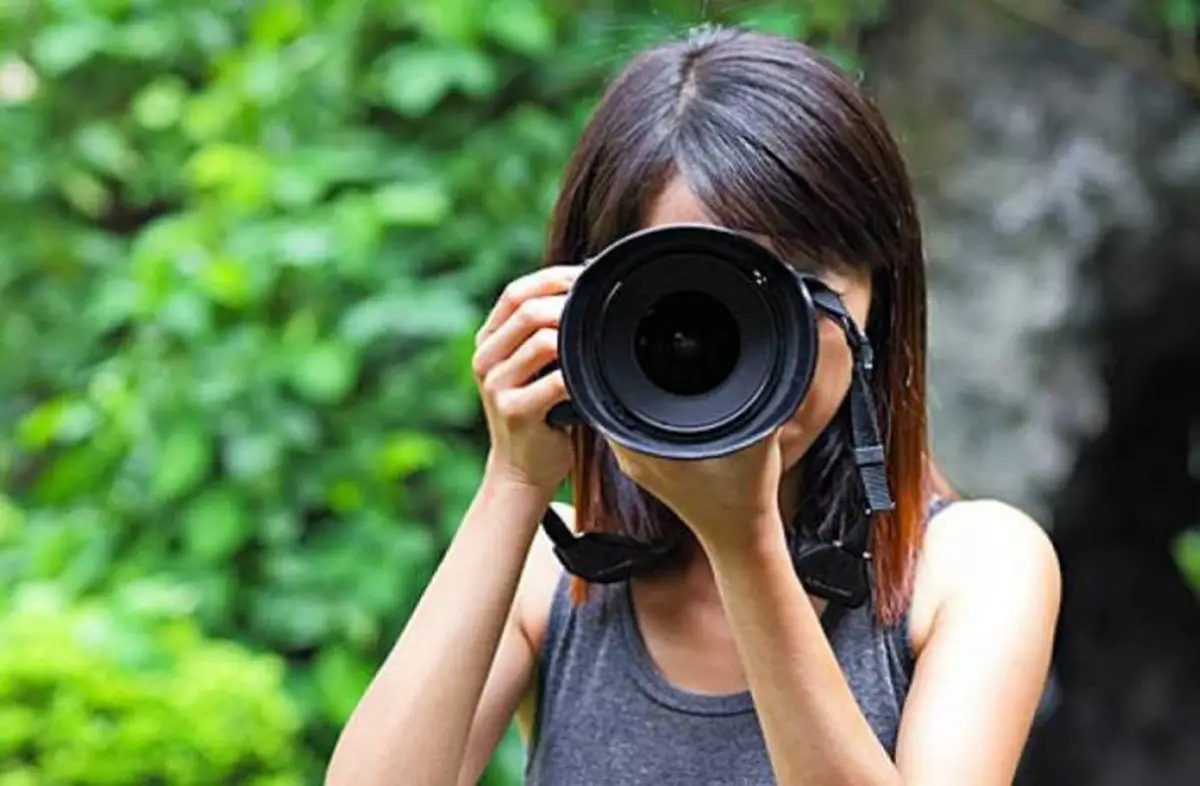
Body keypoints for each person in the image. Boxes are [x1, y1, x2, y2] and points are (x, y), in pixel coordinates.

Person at [326, 25, 1061, 786]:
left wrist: (746, 543)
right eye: (696, 298)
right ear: (598, 309)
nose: (753, 344)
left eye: (801, 284)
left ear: (879, 302)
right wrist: (514, 482)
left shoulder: (971, 569)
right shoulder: (559, 578)